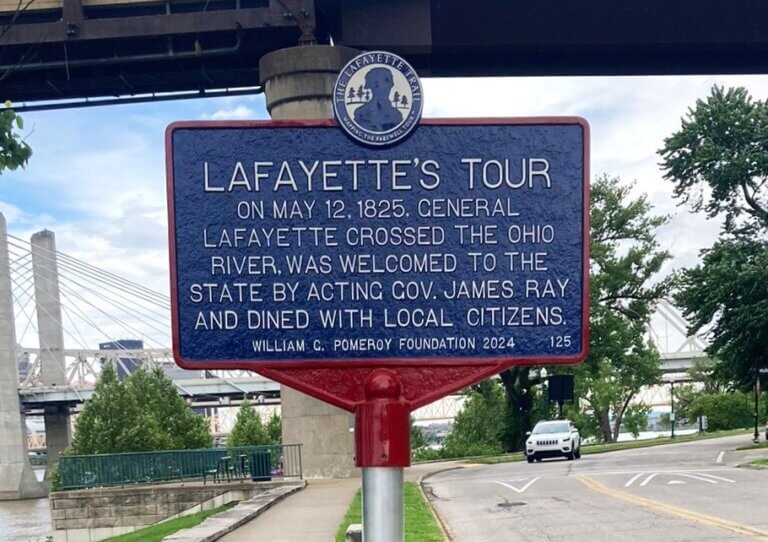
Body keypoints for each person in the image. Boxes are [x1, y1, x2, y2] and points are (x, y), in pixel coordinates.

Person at [353, 67, 403, 132]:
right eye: (385, 81)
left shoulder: (396, 115)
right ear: (374, 85)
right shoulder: (361, 113)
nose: (389, 87)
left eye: (389, 82)